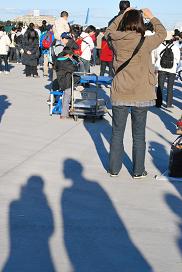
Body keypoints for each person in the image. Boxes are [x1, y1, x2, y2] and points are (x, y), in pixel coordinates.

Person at [106, 8, 167, 178]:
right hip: (141, 93)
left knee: (117, 133)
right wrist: (151, 16)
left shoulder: (116, 40)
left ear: (124, 22)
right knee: (139, 135)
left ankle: (114, 169)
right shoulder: (145, 41)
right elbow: (162, 33)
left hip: (120, 91)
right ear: (140, 23)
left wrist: (121, 15)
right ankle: (138, 171)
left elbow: (109, 30)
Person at [155, 32, 180, 108]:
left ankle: (158, 103)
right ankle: (169, 104)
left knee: (160, 86)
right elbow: (177, 59)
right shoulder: (175, 47)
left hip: (161, 68)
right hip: (172, 69)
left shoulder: (159, 46)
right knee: (170, 87)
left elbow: (156, 57)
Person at [55, 47, 79, 119]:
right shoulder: (67, 62)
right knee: (67, 96)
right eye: (71, 55)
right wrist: (74, 63)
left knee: (66, 95)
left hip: (60, 80)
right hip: (67, 81)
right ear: (68, 55)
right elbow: (74, 69)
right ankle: (64, 114)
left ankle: (64, 111)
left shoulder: (58, 60)